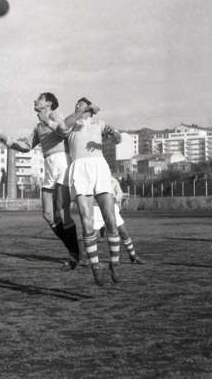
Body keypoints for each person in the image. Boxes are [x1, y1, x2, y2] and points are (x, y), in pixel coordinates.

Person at [0, 92, 80, 270]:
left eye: (39, 99)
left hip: (62, 163)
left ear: (48, 103)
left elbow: (64, 131)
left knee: (62, 211)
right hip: (49, 167)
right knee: (48, 215)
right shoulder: (38, 126)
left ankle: (75, 255)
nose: (35, 101)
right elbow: (27, 146)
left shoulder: (55, 115)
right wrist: (8, 140)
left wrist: (48, 120)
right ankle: (73, 251)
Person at [52, 97, 122, 286]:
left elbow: (117, 139)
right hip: (79, 167)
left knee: (110, 218)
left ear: (90, 109)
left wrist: (113, 134)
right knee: (86, 218)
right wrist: (79, 112)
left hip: (99, 166)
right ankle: (96, 267)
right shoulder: (71, 124)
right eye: (76, 105)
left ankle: (114, 264)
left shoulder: (100, 123)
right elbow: (62, 127)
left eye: (81, 104)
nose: (77, 106)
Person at [93, 176, 144, 264]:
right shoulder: (93, 178)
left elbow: (119, 193)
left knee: (123, 232)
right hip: (97, 209)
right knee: (93, 235)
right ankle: (88, 258)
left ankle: (133, 256)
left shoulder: (112, 180)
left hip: (111, 208)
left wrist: (115, 198)